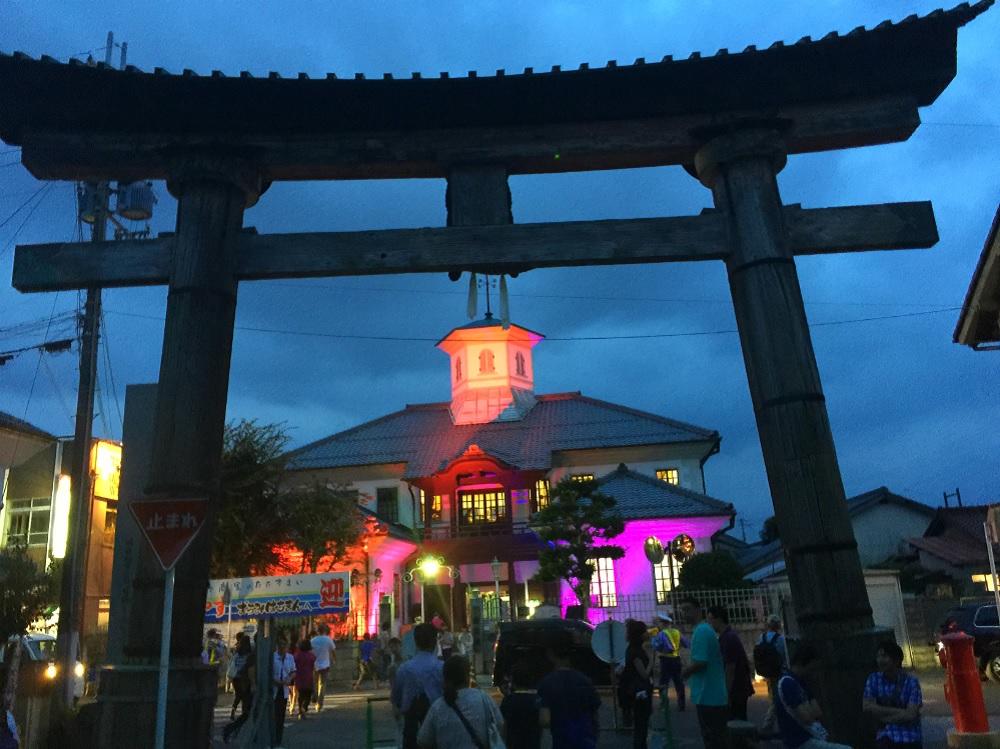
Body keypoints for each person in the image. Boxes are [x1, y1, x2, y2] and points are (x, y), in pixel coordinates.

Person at [417, 654, 504, 749]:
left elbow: (423, 740)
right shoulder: (483, 698)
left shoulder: (438, 707)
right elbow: (499, 724)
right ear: (467, 677)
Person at [774, 644, 849, 749]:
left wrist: (808, 710)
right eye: (812, 668)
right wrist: (809, 710)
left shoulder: (801, 682)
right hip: (799, 741)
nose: (813, 672)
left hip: (811, 737)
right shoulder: (788, 683)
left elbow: (817, 712)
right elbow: (807, 718)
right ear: (803, 663)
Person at [536, 629, 602, 749]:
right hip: (586, 741)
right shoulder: (584, 680)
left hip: (562, 740)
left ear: (550, 654)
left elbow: (545, 720)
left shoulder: (547, 683)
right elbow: (595, 715)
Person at [680, 597, 729, 749]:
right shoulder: (704, 630)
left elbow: (701, 662)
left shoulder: (701, 631)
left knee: (713, 740)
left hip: (708, 695)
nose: (684, 614)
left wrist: (684, 672)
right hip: (711, 694)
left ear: (698, 610)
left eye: (687, 609)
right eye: (682, 610)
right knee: (717, 738)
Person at [392, 623, 445, 749]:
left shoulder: (404, 668)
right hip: (437, 726)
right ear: (435, 642)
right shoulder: (442, 668)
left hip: (411, 726)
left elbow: (396, 699)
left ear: (415, 642)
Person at [863, 641, 922, 749]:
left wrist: (883, 717)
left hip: (909, 735)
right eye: (878, 656)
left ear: (896, 659)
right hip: (885, 735)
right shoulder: (873, 679)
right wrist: (902, 712)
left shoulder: (911, 682)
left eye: (884, 656)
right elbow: (867, 707)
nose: (880, 660)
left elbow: (911, 714)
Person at [708, 605, 754, 722]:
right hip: (738, 688)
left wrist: (726, 693)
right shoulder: (727, 636)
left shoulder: (728, 638)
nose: (709, 623)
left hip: (736, 689)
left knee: (736, 722)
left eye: (710, 619)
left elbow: (730, 668)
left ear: (718, 619)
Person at [621, 619, 654, 749]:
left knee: (642, 725)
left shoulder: (635, 649)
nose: (647, 633)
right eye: (645, 631)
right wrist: (651, 659)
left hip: (640, 691)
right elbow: (644, 674)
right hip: (640, 693)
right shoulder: (635, 652)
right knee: (641, 725)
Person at [757, 614, 788, 735]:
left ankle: (774, 724)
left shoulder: (762, 637)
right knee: (777, 698)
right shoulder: (780, 639)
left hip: (767, 672)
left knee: (773, 697)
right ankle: (768, 725)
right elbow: (784, 656)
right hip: (778, 671)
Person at [500, 662, 541, 749]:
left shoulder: (509, 700)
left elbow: (503, 725)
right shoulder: (537, 700)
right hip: (533, 743)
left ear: (513, 681)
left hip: (514, 744)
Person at [651, 611, 686, 712]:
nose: (658, 624)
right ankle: (681, 704)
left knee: (663, 683)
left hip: (665, 660)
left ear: (663, 623)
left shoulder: (661, 634)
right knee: (678, 682)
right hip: (676, 659)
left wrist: (654, 639)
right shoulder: (677, 632)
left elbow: (657, 646)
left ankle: (664, 704)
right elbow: (685, 643)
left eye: (659, 622)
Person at [224, 634, 254, 736]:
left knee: (238, 695)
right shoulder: (249, 654)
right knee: (245, 698)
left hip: (236, 678)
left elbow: (234, 664)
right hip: (244, 679)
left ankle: (234, 710)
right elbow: (247, 667)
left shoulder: (237, 653)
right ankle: (240, 721)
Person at [272, 639, 296, 749]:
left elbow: (293, 671)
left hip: (284, 689)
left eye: (284, 645)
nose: (282, 647)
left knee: (280, 716)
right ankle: (271, 739)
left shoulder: (290, 657)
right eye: (280, 645)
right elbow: (268, 672)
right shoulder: (272, 657)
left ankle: (278, 740)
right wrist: (276, 681)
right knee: (273, 715)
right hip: (274, 688)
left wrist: (289, 678)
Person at [310, 623, 337, 712]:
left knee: (315, 683)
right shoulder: (328, 639)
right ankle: (319, 704)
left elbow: (310, 652)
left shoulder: (313, 640)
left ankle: (315, 696)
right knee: (322, 684)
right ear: (324, 630)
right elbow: (333, 651)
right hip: (325, 665)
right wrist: (334, 660)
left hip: (314, 664)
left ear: (317, 631)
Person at [293, 638, 316, 719]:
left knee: (301, 694)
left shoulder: (297, 655)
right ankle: (304, 707)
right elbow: (313, 666)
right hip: (308, 676)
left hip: (299, 676)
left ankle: (300, 708)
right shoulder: (311, 656)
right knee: (308, 693)